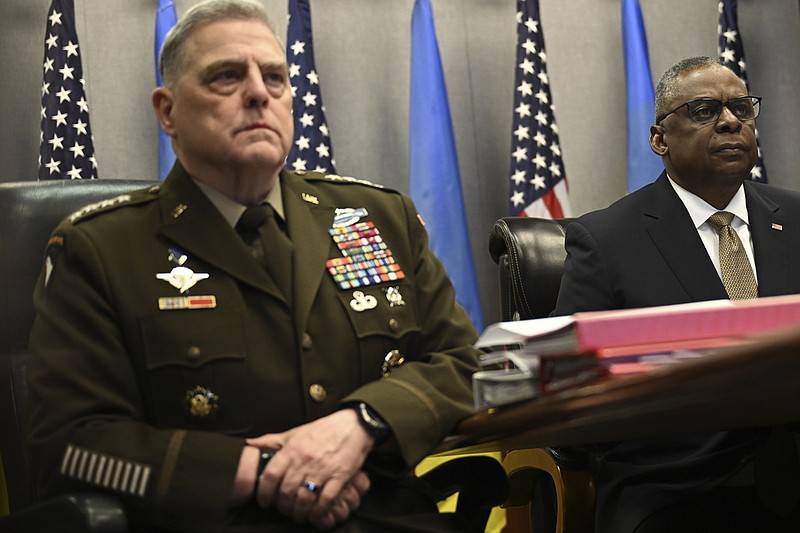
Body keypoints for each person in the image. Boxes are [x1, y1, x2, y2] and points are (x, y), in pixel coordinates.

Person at [25, 1, 493, 531]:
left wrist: (362, 422)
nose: (258, 93)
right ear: (168, 112)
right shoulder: (102, 250)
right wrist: (261, 470)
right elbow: (68, 446)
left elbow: (464, 364)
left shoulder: (378, 217)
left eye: (274, 77)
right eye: (226, 77)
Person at [554, 56, 800, 532]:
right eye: (705, 110)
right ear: (659, 139)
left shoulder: (796, 218)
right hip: (677, 489)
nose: (730, 121)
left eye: (741, 109)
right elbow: (573, 390)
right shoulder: (606, 240)